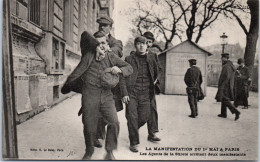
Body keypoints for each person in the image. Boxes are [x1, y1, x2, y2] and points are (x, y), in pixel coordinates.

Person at [61, 31, 133, 160]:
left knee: (114, 122)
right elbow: (83, 36)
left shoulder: (111, 57)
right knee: (89, 124)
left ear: (107, 44)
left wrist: (120, 70)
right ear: (93, 45)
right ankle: (89, 151)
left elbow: (129, 67)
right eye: (98, 43)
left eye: (104, 43)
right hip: (90, 95)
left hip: (106, 96)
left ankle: (110, 152)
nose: (102, 46)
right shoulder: (88, 56)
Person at [120, 36, 160, 152]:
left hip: (146, 94)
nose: (141, 46)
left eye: (144, 43)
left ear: (147, 45)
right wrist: (124, 93)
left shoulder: (152, 59)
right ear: (135, 45)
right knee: (132, 117)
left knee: (144, 116)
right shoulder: (129, 59)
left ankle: (132, 129)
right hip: (132, 93)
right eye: (138, 43)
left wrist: (155, 82)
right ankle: (133, 142)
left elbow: (157, 73)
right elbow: (122, 77)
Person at [95, 15, 125, 148]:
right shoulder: (93, 39)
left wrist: (106, 50)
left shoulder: (116, 42)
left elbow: (117, 51)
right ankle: (98, 135)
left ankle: (103, 135)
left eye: (105, 25)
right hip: (97, 82)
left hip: (111, 83)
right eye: (100, 25)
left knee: (109, 111)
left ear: (110, 28)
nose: (102, 27)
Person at [142, 31, 162, 142]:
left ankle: (152, 133)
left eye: (150, 42)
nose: (148, 44)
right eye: (146, 41)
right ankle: (134, 131)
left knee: (152, 110)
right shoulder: (133, 54)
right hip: (138, 88)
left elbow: (159, 69)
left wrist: (155, 79)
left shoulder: (153, 55)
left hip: (150, 88)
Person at [215, 53, 240, 121]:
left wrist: (222, 86)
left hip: (225, 86)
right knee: (223, 99)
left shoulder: (227, 66)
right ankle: (223, 114)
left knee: (225, 99)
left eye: (222, 58)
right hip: (228, 85)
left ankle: (236, 112)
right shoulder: (229, 65)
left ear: (225, 58)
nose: (221, 59)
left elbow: (226, 77)